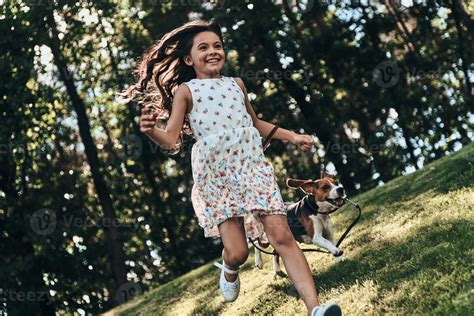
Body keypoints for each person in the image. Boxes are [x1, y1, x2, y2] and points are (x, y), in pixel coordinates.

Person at [123, 20, 341, 316]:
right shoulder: (186, 91)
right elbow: (171, 138)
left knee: (282, 238)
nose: (213, 51)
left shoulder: (236, 84)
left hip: (253, 169)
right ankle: (229, 266)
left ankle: (315, 309)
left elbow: (255, 123)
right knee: (238, 251)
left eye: (217, 46)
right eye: (204, 47)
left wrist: (293, 136)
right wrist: (151, 132)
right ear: (189, 59)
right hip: (217, 177)